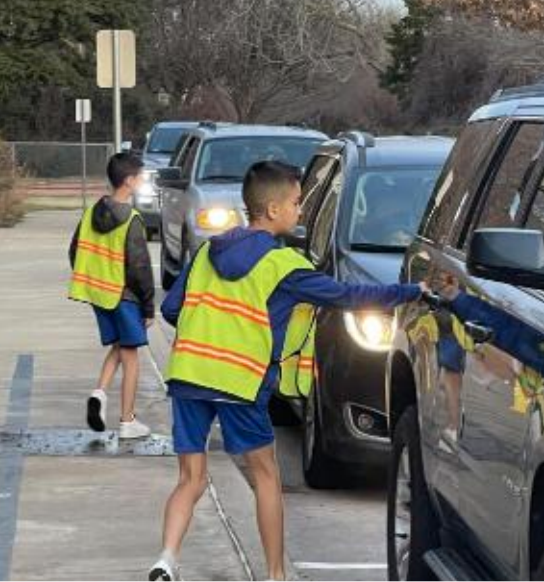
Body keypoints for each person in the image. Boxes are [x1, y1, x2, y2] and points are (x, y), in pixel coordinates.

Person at [150, 161, 426, 581]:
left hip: (188, 374)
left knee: (190, 478)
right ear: (274, 209)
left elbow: (171, 307)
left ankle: (165, 560)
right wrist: (412, 291)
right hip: (239, 382)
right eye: (297, 202)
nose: (300, 211)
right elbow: (348, 296)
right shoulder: (283, 266)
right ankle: (276, 575)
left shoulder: (208, 251)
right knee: (265, 476)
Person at [68, 152, 155, 440]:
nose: (142, 180)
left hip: (98, 294)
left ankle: (99, 393)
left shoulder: (91, 212)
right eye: (140, 176)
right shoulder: (131, 220)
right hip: (124, 296)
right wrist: (148, 308)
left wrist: (95, 277)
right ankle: (128, 421)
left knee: (120, 345)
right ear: (129, 181)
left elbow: (74, 251)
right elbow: (140, 268)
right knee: (131, 357)